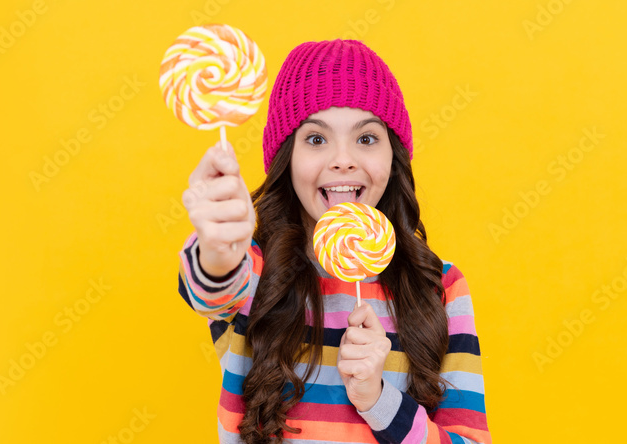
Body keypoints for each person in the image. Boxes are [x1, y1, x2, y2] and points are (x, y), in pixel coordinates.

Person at [176, 39, 491, 444]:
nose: (343, 160)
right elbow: (210, 288)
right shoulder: (255, 272)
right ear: (286, 158)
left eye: (366, 139)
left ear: (393, 157)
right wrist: (219, 247)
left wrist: (378, 400)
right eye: (316, 139)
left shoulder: (440, 288)